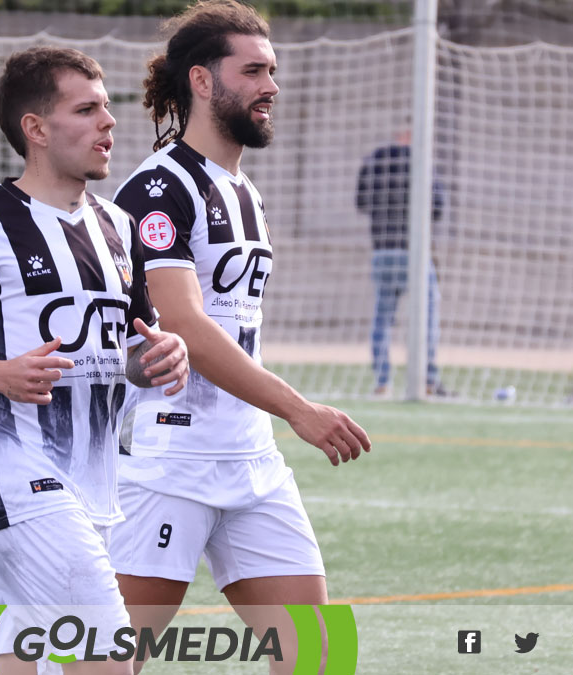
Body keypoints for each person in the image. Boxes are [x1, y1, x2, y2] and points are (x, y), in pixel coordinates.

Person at [0, 46, 189, 675]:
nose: (109, 123)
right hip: (17, 475)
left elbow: (129, 351)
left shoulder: (120, 227)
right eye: (87, 110)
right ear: (37, 129)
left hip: (96, 485)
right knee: (109, 654)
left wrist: (160, 357)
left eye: (107, 108)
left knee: (33, 658)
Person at [109, 2, 371, 672]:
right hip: (169, 462)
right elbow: (187, 326)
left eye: (273, 70)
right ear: (202, 81)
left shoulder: (244, 190)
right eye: (253, 70)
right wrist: (299, 409)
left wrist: (272, 419)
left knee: (315, 655)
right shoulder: (158, 188)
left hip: (251, 461)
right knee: (108, 663)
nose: (271, 85)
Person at [355, 127, 447, 397]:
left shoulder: (374, 162)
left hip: (383, 251)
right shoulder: (421, 162)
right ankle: (428, 379)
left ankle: (383, 382)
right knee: (427, 315)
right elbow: (438, 207)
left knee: (383, 318)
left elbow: (361, 202)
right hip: (414, 252)